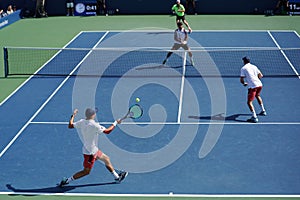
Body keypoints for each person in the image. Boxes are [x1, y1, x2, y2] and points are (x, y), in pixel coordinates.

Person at [59, 108, 128, 187]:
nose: (95, 114)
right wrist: (115, 123)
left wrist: (73, 115)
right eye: (94, 113)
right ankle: (67, 181)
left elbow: (70, 125)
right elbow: (107, 131)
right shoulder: (95, 125)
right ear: (93, 115)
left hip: (92, 149)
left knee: (106, 159)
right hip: (90, 153)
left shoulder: (82, 122)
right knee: (86, 172)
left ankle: (117, 177)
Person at [240, 57, 267, 123]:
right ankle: (263, 111)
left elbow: (241, 79)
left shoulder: (243, 68)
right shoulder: (254, 66)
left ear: (244, 61)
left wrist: (244, 83)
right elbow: (260, 75)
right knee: (257, 95)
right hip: (259, 85)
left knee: (249, 102)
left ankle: (254, 117)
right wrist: (255, 79)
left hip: (253, 87)